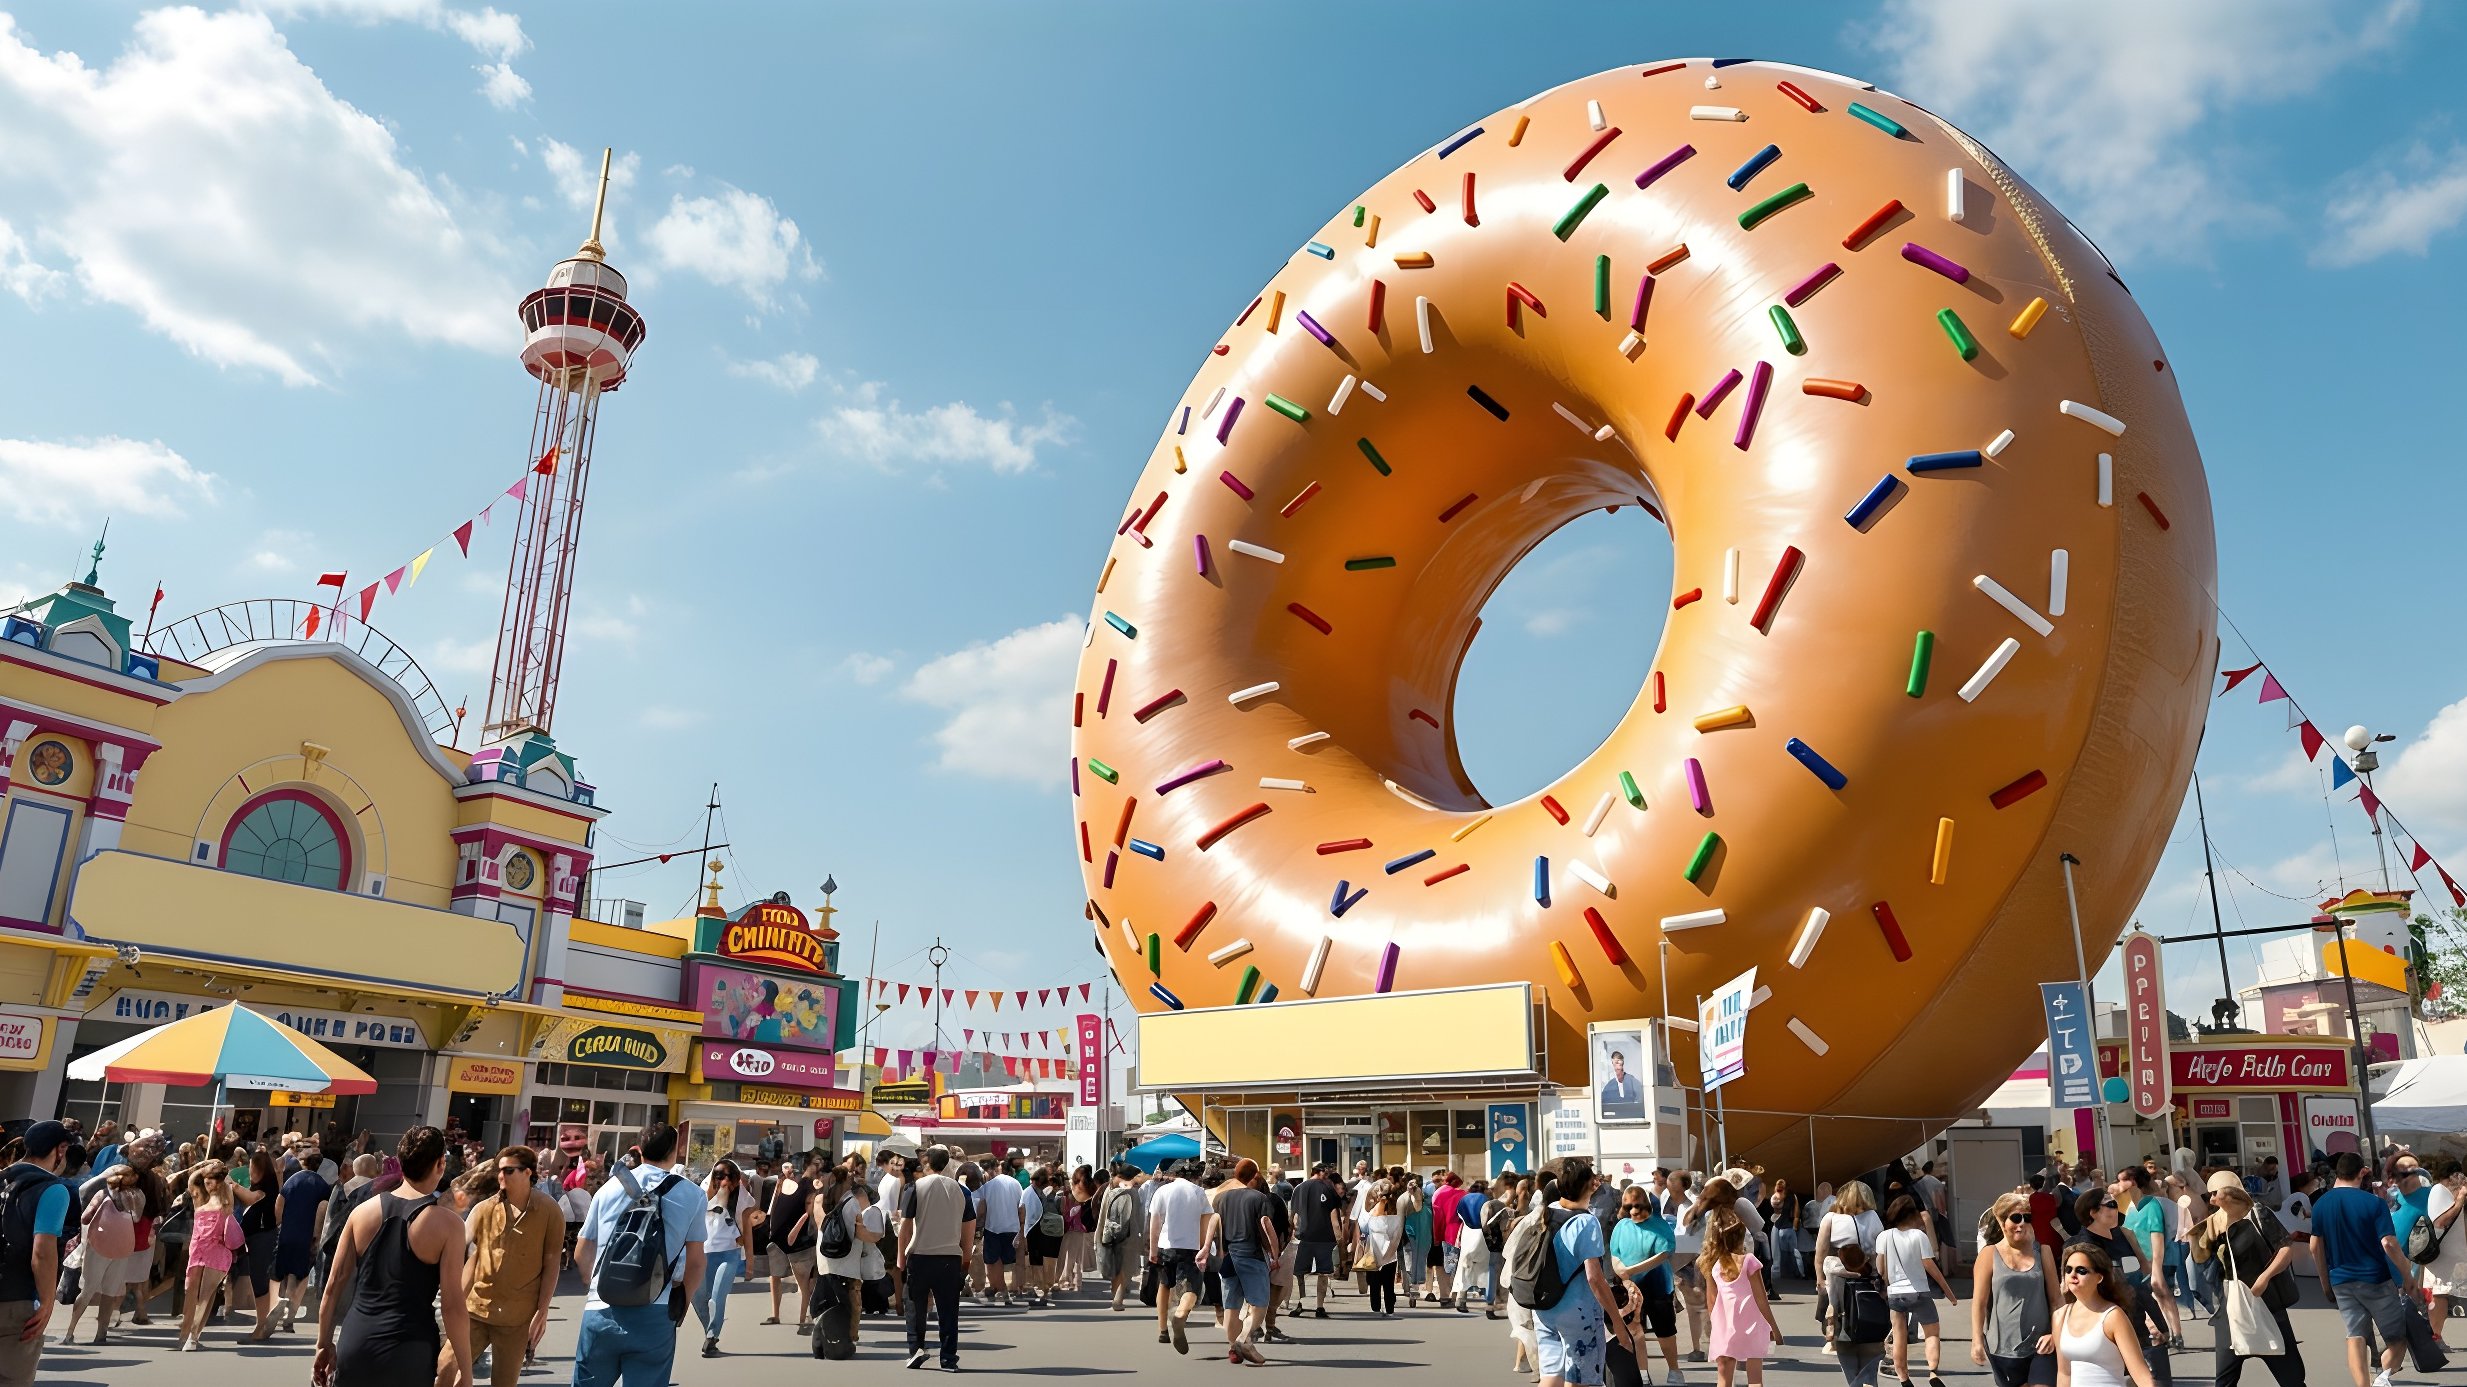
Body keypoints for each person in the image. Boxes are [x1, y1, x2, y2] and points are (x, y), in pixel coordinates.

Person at [314, 1126, 474, 1387]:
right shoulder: (448, 1225)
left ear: (400, 1162)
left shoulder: (362, 1213)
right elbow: (452, 1306)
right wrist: (465, 1371)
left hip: (357, 1340)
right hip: (410, 1349)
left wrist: (323, 1344)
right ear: (440, 1164)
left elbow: (332, 1287)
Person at [568, 1124, 707, 1387]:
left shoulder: (608, 1189)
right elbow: (697, 1263)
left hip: (601, 1309)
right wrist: (681, 1305)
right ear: (675, 1151)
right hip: (655, 1309)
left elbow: (582, 1252)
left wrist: (597, 1286)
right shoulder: (693, 1194)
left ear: (639, 1150)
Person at [462, 1145, 564, 1387]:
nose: (501, 1176)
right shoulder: (483, 1209)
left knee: (504, 1382)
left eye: (508, 1171)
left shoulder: (549, 1211)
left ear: (528, 1172)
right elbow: (463, 1254)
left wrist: (542, 1309)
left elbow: (552, 1263)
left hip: (517, 1319)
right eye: (499, 1170)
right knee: (448, 1371)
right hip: (475, 1310)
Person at [2188, 1172, 2301, 1387]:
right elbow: (2200, 1259)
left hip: (2266, 1302)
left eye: (2215, 1193)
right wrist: (2193, 1237)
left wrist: (2265, 1278)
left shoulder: (2258, 1213)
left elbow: (2285, 1249)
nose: (2211, 1200)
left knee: (2292, 1378)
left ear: (2231, 1192)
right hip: (2230, 1307)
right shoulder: (2212, 1223)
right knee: (2225, 1380)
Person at [1534, 1156, 1638, 1387]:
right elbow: (1595, 1278)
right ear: (1593, 1185)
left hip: (1544, 1306)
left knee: (1551, 1374)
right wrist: (1618, 1325)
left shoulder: (1546, 1212)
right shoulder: (1586, 1222)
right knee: (1580, 1377)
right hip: (1577, 1310)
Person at [2310, 1150, 2409, 1387]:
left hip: (2341, 1281)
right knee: (2397, 1339)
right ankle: (2382, 1378)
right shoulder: (2374, 1203)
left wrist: (2326, 1284)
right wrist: (2407, 1275)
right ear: (2362, 1172)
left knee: (2355, 1336)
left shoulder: (2321, 1204)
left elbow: (2315, 1246)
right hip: (2376, 1279)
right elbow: (2388, 1243)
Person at [0, 1120, 72, 1384]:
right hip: (15, 1301)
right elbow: (42, 1252)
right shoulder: (51, 1189)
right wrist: (47, 1300)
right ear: (60, 1150)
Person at [1972, 1191, 2060, 1387]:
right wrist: (1976, 1340)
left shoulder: (2043, 1251)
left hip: (2041, 1344)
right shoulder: (1989, 1254)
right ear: (2002, 1221)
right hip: (2003, 1347)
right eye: (2015, 1217)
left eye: (2026, 1218)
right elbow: (1979, 1302)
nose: (2021, 1223)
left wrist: (2055, 1333)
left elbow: (2056, 1299)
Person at [900, 1145, 976, 1372]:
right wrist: (966, 1260)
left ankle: (916, 1350)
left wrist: (900, 1260)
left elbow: (904, 1227)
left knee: (915, 1307)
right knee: (949, 1311)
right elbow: (969, 1229)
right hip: (950, 1258)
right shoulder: (962, 1191)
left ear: (926, 1164)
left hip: (920, 1255)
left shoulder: (915, 1187)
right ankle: (948, 1357)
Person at [1205, 1158, 1280, 1364]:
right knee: (1259, 1304)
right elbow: (1266, 1225)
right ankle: (1244, 1339)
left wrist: (1208, 1249)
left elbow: (1214, 1224)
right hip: (1252, 1256)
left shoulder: (1220, 1198)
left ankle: (1233, 1348)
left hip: (1228, 1258)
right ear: (1255, 1175)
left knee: (1231, 1306)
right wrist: (1274, 1254)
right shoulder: (1259, 1198)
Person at [1880, 1194, 1959, 1387]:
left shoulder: (1884, 1236)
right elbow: (1930, 1267)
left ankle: (1904, 1379)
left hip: (1896, 1293)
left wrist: (1887, 1285)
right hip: (1920, 1292)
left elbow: (1881, 1269)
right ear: (1913, 1214)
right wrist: (1949, 1294)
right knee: (1931, 1333)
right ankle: (1932, 1373)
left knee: (1899, 1335)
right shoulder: (1919, 1236)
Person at [1609, 1180, 1684, 1384]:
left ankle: (1674, 1370)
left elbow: (1663, 1253)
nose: (1633, 1211)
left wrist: (1630, 1270)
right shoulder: (1621, 1226)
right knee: (1634, 1330)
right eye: (1629, 1207)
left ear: (1646, 1205)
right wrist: (1620, 1271)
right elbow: (1615, 1253)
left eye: (1637, 1206)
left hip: (1658, 1286)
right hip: (1630, 1289)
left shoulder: (1659, 1225)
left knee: (1665, 1330)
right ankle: (1642, 1374)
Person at [2056, 1244, 2158, 1387]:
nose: (2072, 1275)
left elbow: (2140, 1374)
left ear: (2099, 1277)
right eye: (2068, 1270)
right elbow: (2064, 1373)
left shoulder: (2113, 1316)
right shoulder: (2060, 1316)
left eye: (2081, 1270)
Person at [690, 1158, 758, 1357]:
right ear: (713, 1177)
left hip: (730, 1252)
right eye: (720, 1176)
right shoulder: (701, 1194)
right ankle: (709, 1332)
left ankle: (712, 1335)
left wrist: (750, 1262)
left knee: (718, 1295)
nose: (725, 1181)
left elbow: (747, 1229)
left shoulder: (743, 1197)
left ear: (737, 1180)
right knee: (699, 1297)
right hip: (703, 1252)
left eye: (730, 1177)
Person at [812, 1165, 882, 1350]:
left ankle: (823, 1337)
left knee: (828, 1297)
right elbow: (860, 1233)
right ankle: (845, 1339)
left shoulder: (820, 1200)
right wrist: (877, 1235)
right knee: (849, 1303)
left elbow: (821, 1225)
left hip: (825, 1256)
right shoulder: (851, 1203)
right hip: (846, 1261)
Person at [1703, 1210, 1776, 1387]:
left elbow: (1711, 1301)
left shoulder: (1713, 1264)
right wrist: (1773, 1327)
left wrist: (1716, 1329)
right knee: (1755, 1380)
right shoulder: (1749, 1261)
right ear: (1742, 1238)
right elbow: (1761, 1298)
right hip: (1751, 1327)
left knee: (1724, 1380)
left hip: (1724, 1328)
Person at [176, 1158, 242, 1351]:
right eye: (206, 1179)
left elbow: (227, 1192)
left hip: (217, 1249)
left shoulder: (225, 1199)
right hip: (197, 1249)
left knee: (206, 1294)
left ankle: (193, 1336)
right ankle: (188, 1334)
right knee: (191, 1291)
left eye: (212, 1179)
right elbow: (191, 1181)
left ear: (220, 1181)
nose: (208, 1182)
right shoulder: (199, 1197)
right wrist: (204, 1167)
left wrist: (221, 1173)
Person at [1147, 1160, 1211, 1354]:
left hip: (1166, 1246)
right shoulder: (1199, 1193)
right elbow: (1205, 1222)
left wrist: (1152, 1251)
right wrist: (1203, 1248)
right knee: (1192, 1288)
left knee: (1164, 1285)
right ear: (1194, 1176)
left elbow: (1155, 1224)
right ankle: (1180, 1314)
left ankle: (1162, 1330)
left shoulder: (1162, 1191)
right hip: (1190, 1247)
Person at [275, 1145, 332, 1333]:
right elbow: (324, 1211)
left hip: (288, 1233)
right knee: (300, 1278)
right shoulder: (323, 1186)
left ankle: (278, 1310)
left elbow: (279, 1205)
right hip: (308, 1236)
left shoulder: (292, 1180)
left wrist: (280, 1223)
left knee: (284, 1275)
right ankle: (289, 1318)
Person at [762, 1153, 816, 1330]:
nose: (790, 1169)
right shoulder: (780, 1183)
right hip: (778, 1237)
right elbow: (773, 1206)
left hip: (799, 1240)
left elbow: (809, 1211)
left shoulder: (809, 1185)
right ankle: (775, 1314)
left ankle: (803, 1317)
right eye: (787, 1165)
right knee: (775, 1276)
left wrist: (795, 1231)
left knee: (802, 1279)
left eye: (793, 1165)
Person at [1289, 1162, 1345, 1318]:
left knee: (1300, 1273)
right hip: (1325, 1238)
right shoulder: (1328, 1189)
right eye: (1326, 1174)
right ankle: (1319, 1307)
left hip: (1303, 1237)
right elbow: (1334, 1217)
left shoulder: (1298, 1189)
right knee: (1323, 1273)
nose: (1327, 1178)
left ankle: (1301, 1304)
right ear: (1320, 1173)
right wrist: (1339, 1240)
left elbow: (1293, 1215)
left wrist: (1292, 1233)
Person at [973, 1151, 1027, 1307]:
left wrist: (976, 1223)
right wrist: (1022, 1226)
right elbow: (1021, 1207)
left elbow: (981, 1209)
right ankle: (1009, 1289)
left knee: (993, 1261)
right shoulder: (1016, 1184)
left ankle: (1003, 1291)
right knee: (1009, 1262)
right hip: (1013, 1228)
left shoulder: (989, 1186)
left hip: (993, 1228)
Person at [2421, 1158, 2464, 1347]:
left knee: (2443, 1295)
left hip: (2454, 1256)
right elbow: (2439, 1222)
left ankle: (2435, 1336)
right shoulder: (2439, 1191)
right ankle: (2434, 1337)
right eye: (2459, 1175)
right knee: (2440, 1295)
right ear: (2452, 1176)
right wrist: (2459, 1202)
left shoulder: (2451, 1193)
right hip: (2441, 1256)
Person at [1094, 1161, 1144, 1311]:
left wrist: (1099, 1235)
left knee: (1115, 1266)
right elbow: (1138, 1216)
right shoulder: (1133, 1192)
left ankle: (1116, 1297)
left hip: (1110, 1234)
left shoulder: (1109, 1190)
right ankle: (1118, 1298)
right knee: (1125, 1268)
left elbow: (1102, 1215)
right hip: (1129, 1235)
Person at [1358, 1182, 1402, 1318]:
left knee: (1375, 1283)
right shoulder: (1396, 1211)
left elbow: (1364, 1227)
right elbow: (1397, 1235)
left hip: (1374, 1250)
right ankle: (1389, 1308)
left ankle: (1376, 1308)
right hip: (1390, 1252)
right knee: (1389, 1283)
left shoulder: (1373, 1211)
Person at [1460, 1175, 1497, 1315]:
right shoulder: (1487, 1201)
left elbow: (1459, 1216)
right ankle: (1489, 1302)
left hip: (1467, 1233)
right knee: (1487, 1268)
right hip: (1482, 1235)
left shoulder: (1464, 1199)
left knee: (1466, 1266)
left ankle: (1461, 1298)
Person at [1768, 1178, 1807, 1285]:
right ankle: (1800, 1273)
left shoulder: (1775, 1197)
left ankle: (1776, 1275)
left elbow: (1775, 1207)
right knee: (1794, 1252)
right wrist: (1795, 1226)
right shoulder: (1792, 1197)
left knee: (1776, 1253)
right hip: (1789, 1227)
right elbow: (1796, 1212)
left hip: (1778, 1226)